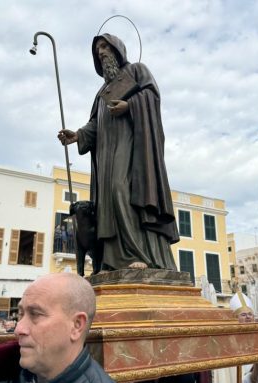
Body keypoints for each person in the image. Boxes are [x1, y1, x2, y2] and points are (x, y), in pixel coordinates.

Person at [58, 33, 179, 271]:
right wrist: (79, 135)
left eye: (105, 46)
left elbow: (152, 99)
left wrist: (130, 105)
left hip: (133, 149)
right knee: (107, 202)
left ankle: (139, 254)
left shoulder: (137, 71)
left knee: (121, 190)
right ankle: (113, 261)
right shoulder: (102, 92)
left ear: (117, 49)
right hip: (105, 155)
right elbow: (96, 123)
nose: (101, 52)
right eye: (97, 50)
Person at [0, 273, 118, 383]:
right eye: (20, 314)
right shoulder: (12, 378)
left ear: (77, 325)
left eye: (35, 314)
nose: (18, 329)